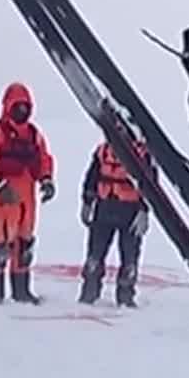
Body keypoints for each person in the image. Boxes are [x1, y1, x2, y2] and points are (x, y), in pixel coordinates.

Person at [0, 81, 55, 304]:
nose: (22, 110)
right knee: (0, 246)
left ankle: (22, 292)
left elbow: (44, 158)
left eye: (25, 106)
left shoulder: (34, 134)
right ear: (7, 106)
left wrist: (46, 179)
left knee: (24, 244)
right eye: (17, 106)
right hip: (2, 197)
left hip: (27, 195)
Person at [79, 130, 156, 307]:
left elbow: (151, 185)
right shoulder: (102, 152)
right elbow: (91, 178)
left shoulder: (143, 155)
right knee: (94, 255)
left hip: (130, 212)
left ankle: (126, 297)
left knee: (129, 258)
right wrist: (87, 202)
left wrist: (144, 210)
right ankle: (89, 293)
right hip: (104, 208)